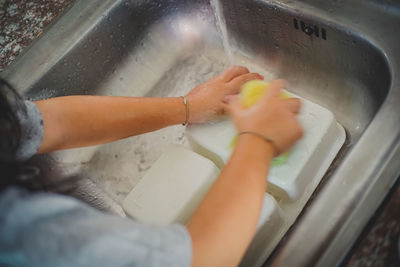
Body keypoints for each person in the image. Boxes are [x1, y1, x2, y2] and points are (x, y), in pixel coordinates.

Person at [0, 66, 302, 267]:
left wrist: (188, 106)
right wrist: (259, 140)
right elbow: (197, 259)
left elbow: (49, 123)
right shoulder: (21, 236)